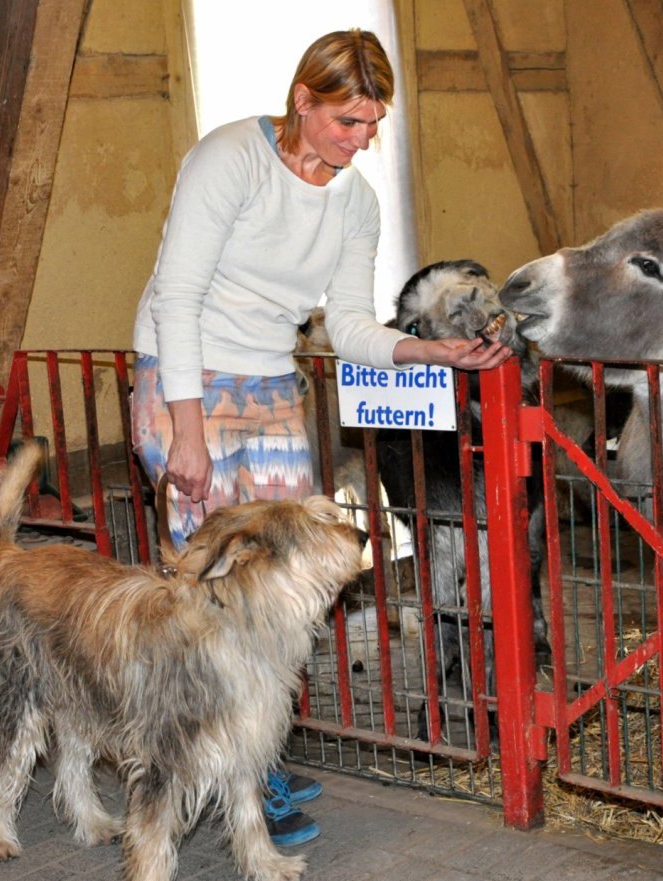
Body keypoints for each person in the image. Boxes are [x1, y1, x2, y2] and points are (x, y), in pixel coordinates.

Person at [131, 28, 510, 848]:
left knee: (284, 582)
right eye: (348, 122)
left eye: (372, 125)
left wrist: (428, 350)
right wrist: (186, 435)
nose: (361, 141)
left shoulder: (354, 199)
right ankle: (207, 771)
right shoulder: (229, 159)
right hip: (182, 374)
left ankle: (255, 759)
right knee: (212, 592)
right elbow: (180, 296)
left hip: (268, 379)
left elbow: (344, 322)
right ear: (303, 101)